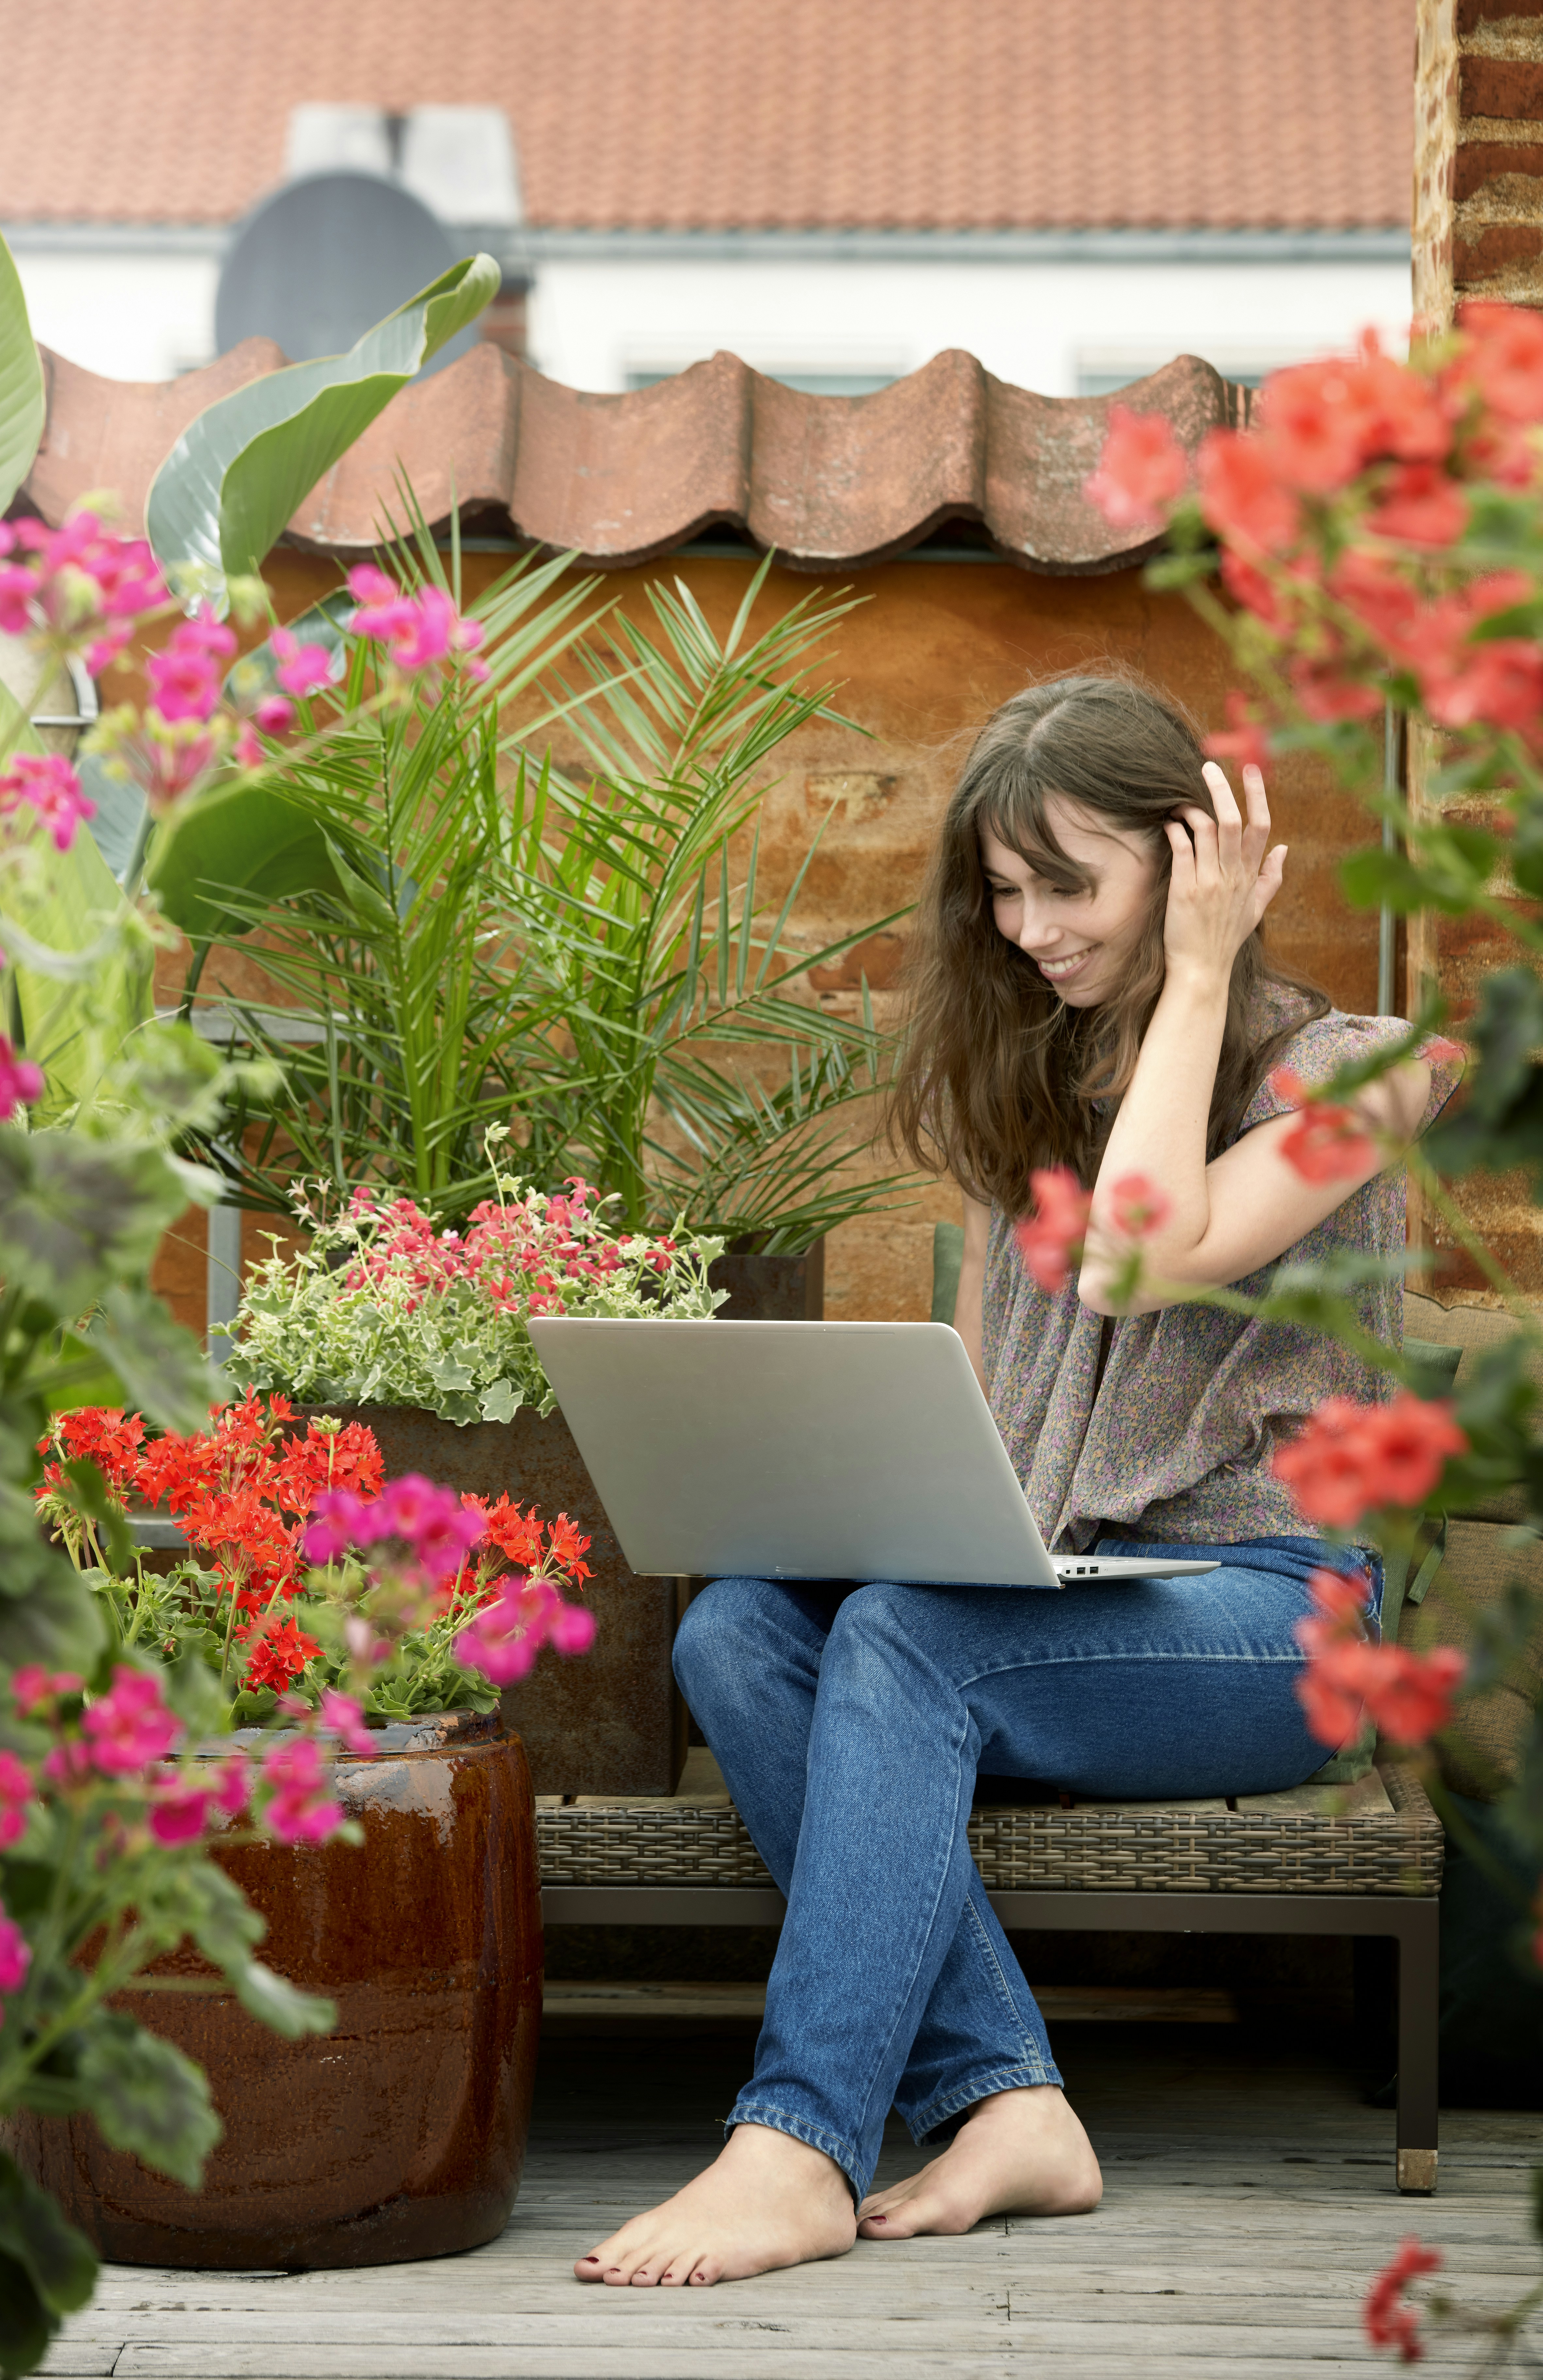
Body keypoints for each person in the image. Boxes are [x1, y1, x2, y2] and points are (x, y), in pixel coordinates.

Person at [573, 671, 1460, 2292]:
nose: (1028, 926)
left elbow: (1139, 1257)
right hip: (1067, 1606)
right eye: (1000, 888)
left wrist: (1196, 978)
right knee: (736, 1635)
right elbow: (991, 1417)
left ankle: (798, 2143)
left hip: (1288, 1625)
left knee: (906, 1641)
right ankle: (1007, 2100)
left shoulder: (1363, 1072)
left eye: (1068, 882)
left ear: (1191, 864)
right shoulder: (1035, 1098)